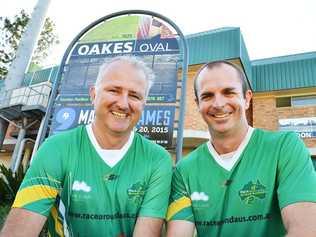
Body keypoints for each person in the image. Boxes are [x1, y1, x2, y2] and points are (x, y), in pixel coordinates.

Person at [0, 56, 173, 237]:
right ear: (93, 94)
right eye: (114, 90)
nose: (123, 104)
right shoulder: (56, 149)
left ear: (144, 104)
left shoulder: (158, 159)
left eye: (135, 95)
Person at [166, 61, 316, 236]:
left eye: (228, 92)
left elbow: (305, 228)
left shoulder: (285, 147)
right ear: (198, 104)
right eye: (207, 96)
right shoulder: (184, 170)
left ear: (247, 98)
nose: (218, 103)